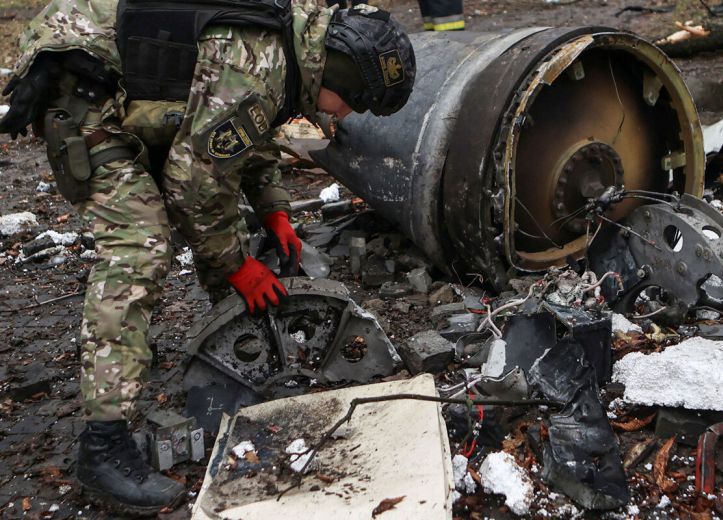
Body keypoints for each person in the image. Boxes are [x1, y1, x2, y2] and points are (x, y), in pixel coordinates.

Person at [0, 0, 415, 516]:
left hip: (137, 81)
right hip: (85, 90)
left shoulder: (291, 44)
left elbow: (248, 137)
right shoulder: (256, 67)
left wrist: (274, 211)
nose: (344, 114)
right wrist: (238, 268)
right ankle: (103, 445)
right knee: (140, 244)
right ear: (339, 74)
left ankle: (237, 351)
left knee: (218, 216)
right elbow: (193, 185)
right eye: (353, 103)